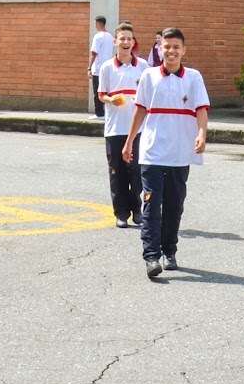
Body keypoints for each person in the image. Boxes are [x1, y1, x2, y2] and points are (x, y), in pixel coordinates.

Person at [122, 26, 209, 279]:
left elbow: (201, 109)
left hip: (180, 153)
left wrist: (202, 134)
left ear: (183, 50)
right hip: (152, 152)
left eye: (175, 47)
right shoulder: (149, 76)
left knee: (174, 206)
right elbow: (139, 110)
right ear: (160, 49)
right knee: (150, 205)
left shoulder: (193, 77)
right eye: (166, 47)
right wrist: (129, 142)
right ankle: (151, 256)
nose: (171, 51)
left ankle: (169, 251)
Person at [97, 23, 146, 228]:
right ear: (115, 42)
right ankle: (121, 213)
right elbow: (101, 95)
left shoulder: (143, 66)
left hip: (137, 129)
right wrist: (111, 100)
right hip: (115, 129)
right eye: (122, 39)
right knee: (117, 172)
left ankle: (137, 210)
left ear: (134, 42)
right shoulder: (107, 67)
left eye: (129, 39)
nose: (126, 42)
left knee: (136, 172)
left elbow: (148, 95)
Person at [88, 16, 115, 118]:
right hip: (108, 68)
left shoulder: (98, 37)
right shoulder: (110, 37)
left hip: (98, 68)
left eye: (95, 23)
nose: (95, 25)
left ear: (99, 23)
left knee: (97, 91)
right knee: (107, 90)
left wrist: (89, 68)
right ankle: (106, 112)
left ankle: (99, 113)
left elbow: (94, 54)